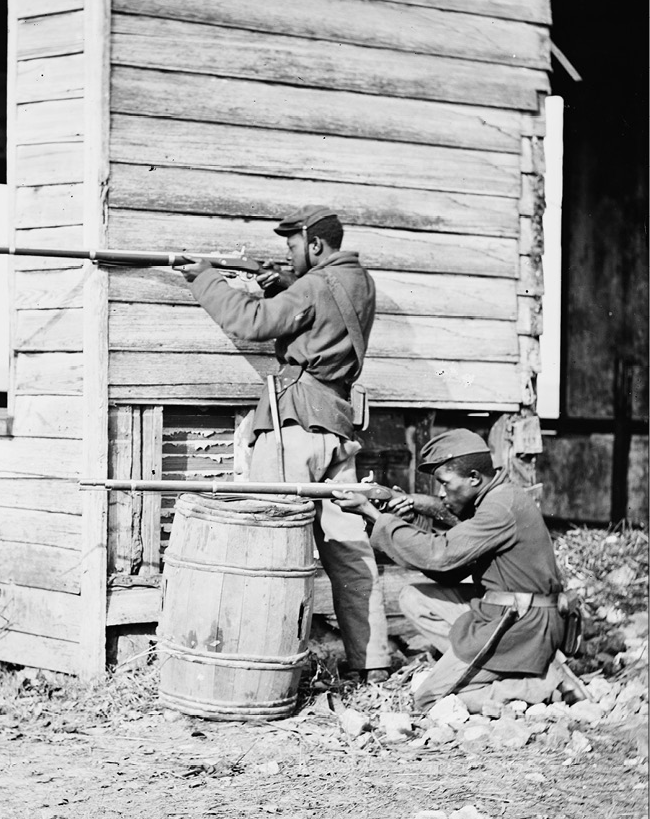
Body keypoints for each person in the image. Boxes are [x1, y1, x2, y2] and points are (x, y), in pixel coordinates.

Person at [176, 205, 391, 682]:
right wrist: (285, 287)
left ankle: (261, 668)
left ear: (315, 245)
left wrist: (207, 279)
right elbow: (321, 320)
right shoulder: (358, 281)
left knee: (269, 546)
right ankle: (372, 663)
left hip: (294, 429)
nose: (289, 255)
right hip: (337, 430)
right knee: (349, 549)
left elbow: (249, 323)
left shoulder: (312, 286)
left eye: (294, 246)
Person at [339, 429, 569, 712]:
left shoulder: (499, 508)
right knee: (414, 597)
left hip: (522, 624)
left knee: (427, 699)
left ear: (474, 478)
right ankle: (498, 666)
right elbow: (449, 570)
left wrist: (375, 516)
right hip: (507, 613)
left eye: (445, 484)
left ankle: (539, 684)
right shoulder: (495, 498)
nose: (440, 493)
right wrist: (410, 514)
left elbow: (440, 556)